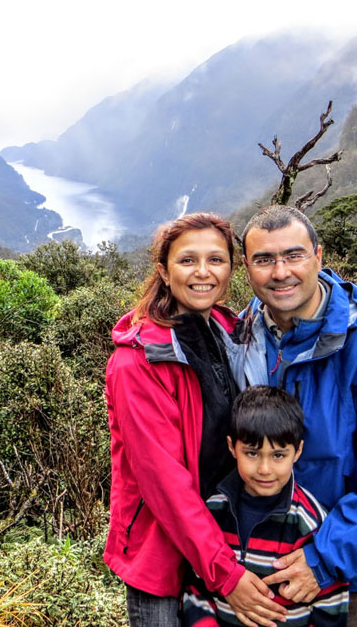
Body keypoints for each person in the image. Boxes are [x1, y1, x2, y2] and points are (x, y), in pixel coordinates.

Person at [236, 205, 357, 627]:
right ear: (246, 268)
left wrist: (322, 558)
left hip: (354, 576)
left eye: (294, 255)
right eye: (264, 260)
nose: (280, 271)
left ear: (319, 257)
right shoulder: (241, 337)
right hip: (261, 573)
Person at [104, 212, 287, 627]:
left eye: (216, 260)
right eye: (187, 261)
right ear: (164, 273)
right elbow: (164, 484)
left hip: (228, 540)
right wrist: (226, 573)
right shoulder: (137, 362)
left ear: (231, 269)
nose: (203, 272)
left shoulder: (230, 331)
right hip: (164, 555)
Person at [181, 385, 349, 626]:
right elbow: (196, 585)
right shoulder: (213, 512)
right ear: (232, 447)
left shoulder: (309, 521)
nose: (264, 469)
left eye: (278, 455)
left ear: (298, 451)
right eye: (252, 453)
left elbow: (331, 604)